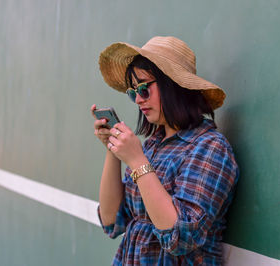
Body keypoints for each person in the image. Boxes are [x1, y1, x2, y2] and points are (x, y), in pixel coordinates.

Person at [91, 36, 239, 265]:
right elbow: (112, 221)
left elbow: (180, 237)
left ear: (173, 85)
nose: (138, 99)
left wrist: (137, 161)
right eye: (133, 92)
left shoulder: (210, 147)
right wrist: (113, 150)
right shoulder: (151, 146)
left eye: (143, 88)